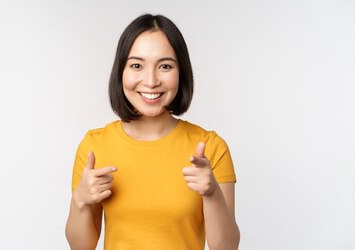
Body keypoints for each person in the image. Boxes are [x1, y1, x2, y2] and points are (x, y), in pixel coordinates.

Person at [65, 14, 240, 250]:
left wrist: (212, 193)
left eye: (165, 66)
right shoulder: (95, 146)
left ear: (181, 72)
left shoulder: (211, 147)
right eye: (136, 65)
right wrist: (80, 200)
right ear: (121, 72)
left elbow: (226, 247)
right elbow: (81, 246)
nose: (151, 80)